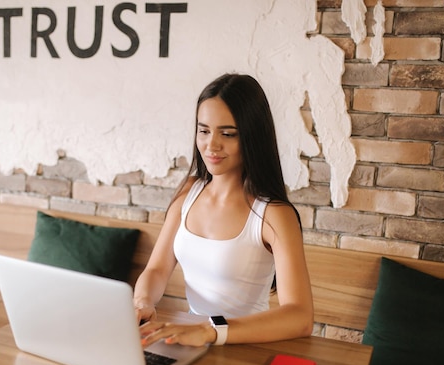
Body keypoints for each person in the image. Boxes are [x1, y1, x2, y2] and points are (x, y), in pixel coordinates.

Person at [134, 73, 314, 347]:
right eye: (204, 131)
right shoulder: (188, 192)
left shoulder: (273, 214)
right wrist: (143, 302)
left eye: (227, 134)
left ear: (252, 137)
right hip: (190, 343)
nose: (211, 145)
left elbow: (300, 317)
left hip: (246, 346)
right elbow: (157, 269)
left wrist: (211, 330)